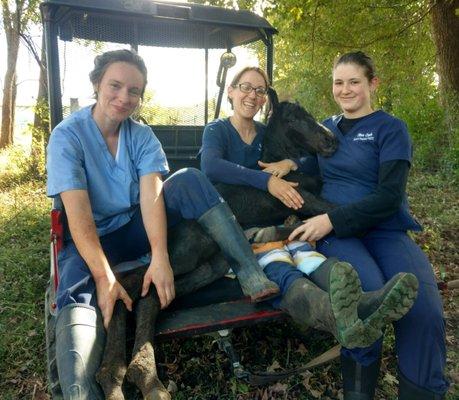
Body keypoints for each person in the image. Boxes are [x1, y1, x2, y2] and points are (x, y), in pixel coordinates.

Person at [46, 50, 279, 399]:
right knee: (77, 295)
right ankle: (83, 390)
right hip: (89, 240)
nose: (124, 97)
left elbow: (152, 196)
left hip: (132, 227)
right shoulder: (68, 137)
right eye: (115, 85)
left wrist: (159, 256)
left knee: (188, 179)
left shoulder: (141, 136)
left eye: (134, 91)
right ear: (97, 84)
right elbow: (77, 216)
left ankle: (248, 270)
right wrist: (104, 277)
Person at [199, 66, 419, 360]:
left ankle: (360, 301)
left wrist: (291, 163)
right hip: (229, 218)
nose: (252, 95)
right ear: (231, 91)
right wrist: (267, 181)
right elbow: (211, 167)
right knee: (276, 261)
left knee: (302, 249)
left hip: (272, 218)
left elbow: (292, 144)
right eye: (245, 87)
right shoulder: (217, 129)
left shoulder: (265, 133)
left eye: (259, 90)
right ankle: (334, 316)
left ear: (265, 98)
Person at [286, 51, 449, 399]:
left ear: (372, 83)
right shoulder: (325, 130)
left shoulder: (391, 129)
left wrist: (329, 219)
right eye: (338, 82)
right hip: (340, 237)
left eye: (354, 82)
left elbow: (390, 196)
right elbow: (307, 173)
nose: (345, 90)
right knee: (365, 303)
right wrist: (280, 171)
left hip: (385, 230)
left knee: (424, 310)